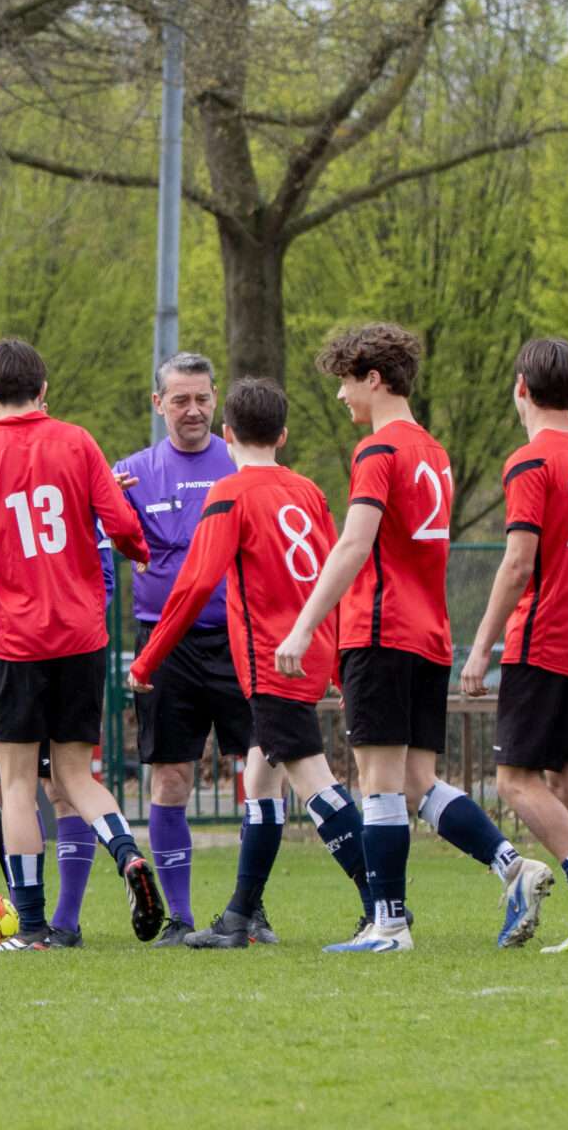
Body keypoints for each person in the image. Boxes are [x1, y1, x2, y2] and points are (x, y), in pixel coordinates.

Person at [275, 323, 533, 953]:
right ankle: (513, 866)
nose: (341, 395)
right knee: (417, 781)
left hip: (381, 632)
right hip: (428, 637)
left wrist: (304, 626)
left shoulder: (378, 452)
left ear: (374, 378)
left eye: (346, 381)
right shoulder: (435, 454)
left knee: (380, 783)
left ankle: (389, 924)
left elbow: (354, 544)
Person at [0, 339, 156, 951]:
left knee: (17, 783)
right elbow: (121, 523)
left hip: (13, 642)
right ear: (44, 389)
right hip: (81, 636)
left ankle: (32, 926)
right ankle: (128, 854)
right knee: (78, 774)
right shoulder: (78, 442)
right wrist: (137, 549)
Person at [128, 379, 369, 949]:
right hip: (307, 651)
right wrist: (336, 663)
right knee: (259, 782)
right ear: (282, 435)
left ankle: (384, 903)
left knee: (313, 781)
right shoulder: (308, 491)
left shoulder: (230, 493)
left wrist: (147, 659)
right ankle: (240, 915)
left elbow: (194, 586)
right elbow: (332, 577)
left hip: (270, 660)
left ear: (227, 433)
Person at [457, 340, 568, 951]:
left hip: (546, 638)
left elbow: (518, 563)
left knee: (514, 780)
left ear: (521, 388)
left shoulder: (532, 460)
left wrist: (481, 647)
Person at [113, 352, 244, 947]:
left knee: (261, 774)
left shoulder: (240, 462)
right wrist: (105, 503)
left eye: (202, 398)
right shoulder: (131, 473)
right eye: (180, 400)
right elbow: (110, 540)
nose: (193, 410)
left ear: (216, 398)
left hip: (238, 639)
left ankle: (249, 910)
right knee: (170, 778)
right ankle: (181, 917)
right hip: (165, 647)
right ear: (158, 403)